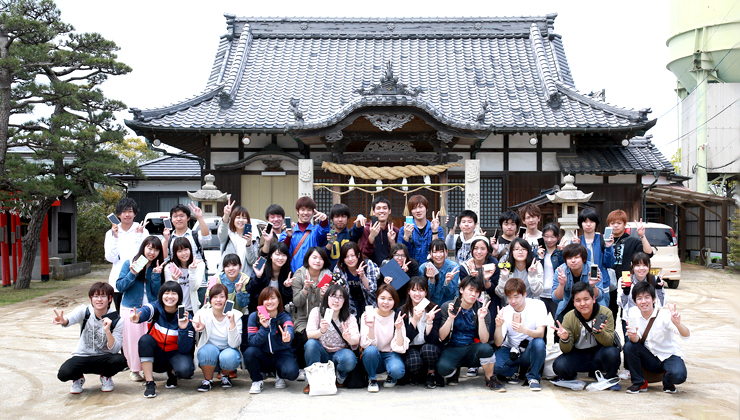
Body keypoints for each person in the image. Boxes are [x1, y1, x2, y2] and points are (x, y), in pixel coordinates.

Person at [54, 282, 127, 394]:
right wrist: (64, 320)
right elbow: (71, 318)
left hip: (103, 358)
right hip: (83, 356)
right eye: (96, 296)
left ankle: (106, 376)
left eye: (103, 296)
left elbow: (115, 349)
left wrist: (108, 331)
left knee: (120, 360)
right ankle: (78, 378)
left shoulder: (116, 319)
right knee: (63, 374)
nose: (99, 299)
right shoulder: (85, 311)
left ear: (109, 298)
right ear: (91, 298)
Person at [130, 282, 195, 398]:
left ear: (179, 296)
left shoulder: (186, 317)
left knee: (186, 371)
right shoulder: (155, 308)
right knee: (145, 340)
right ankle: (150, 383)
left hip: (175, 354)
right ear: (161, 295)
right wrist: (138, 317)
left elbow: (185, 349)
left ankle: (172, 373)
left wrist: (183, 329)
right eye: (166, 293)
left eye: (174, 293)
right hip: (157, 355)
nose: (170, 296)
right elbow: (146, 310)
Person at [552, 282, 621, 389]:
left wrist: (599, 332)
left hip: (599, 353)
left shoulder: (605, 313)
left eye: (586, 299)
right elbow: (565, 350)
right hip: (579, 354)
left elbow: (609, 342)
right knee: (559, 365)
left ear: (593, 299)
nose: (583, 303)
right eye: (578, 300)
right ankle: (571, 376)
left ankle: (610, 378)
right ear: (574, 303)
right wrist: (565, 338)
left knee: (612, 353)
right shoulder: (569, 317)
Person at [624, 282, 690, 394]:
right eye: (639, 298)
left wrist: (678, 323)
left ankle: (668, 380)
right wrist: (633, 336)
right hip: (650, 358)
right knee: (629, 346)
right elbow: (635, 341)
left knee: (679, 376)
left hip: (668, 355)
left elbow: (686, 335)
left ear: (654, 299)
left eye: (647, 297)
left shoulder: (665, 315)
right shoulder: (632, 312)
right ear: (635, 302)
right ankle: (639, 382)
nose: (643, 301)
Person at [437, 276, 500, 390]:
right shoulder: (448, 306)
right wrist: (451, 318)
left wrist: (481, 318)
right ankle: (455, 371)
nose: (473, 294)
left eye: (477, 291)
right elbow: (441, 336)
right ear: (461, 290)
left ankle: (490, 378)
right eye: (470, 290)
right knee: (443, 369)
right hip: (453, 348)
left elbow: (484, 340)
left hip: (473, 348)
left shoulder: (481, 309)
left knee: (487, 349)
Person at [116, 236, 164, 382]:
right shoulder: (130, 263)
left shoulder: (157, 266)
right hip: (131, 309)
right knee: (132, 342)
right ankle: (134, 369)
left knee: (148, 341)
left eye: (156, 250)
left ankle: (147, 369)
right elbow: (120, 286)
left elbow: (157, 293)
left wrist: (156, 275)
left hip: (149, 310)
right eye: (150, 248)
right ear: (143, 247)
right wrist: (133, 273)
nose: (152, 252)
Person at [303, 283, 360, 394]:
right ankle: (313, 381)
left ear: (344, 301)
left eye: (340, 297)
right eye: (333, 296)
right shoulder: (317, 312)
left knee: (349, 358)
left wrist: (349, 338)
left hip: (339, 354)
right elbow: (309, 335)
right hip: (322, 352)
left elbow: (356, 339)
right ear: (327, 297)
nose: (336, 301)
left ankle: (340, 376)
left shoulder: (349, 317)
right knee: (311, 344)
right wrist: (321, 331)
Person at [493, 277, 548, 391]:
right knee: (493, 366)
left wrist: (524, 330)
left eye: (516, 296)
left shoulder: (538, 305)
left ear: (524, 294)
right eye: (509, 297)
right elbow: (498, 343)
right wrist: (498, 326)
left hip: (529, 349)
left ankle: (533, 378)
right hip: (511, 350)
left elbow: (540, 333)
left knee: (539, 343)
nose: (513, 301)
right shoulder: (505, 311)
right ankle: (516, 371)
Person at [243, 287, 299, 394]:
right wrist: (264, 328)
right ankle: (257, 380)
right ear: (261, 302)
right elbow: (252, 342)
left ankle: (280, 374)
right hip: (263, 355)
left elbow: (289, 330)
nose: (269, 302)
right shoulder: (254, 317)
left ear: (279, 300)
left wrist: (287, 338)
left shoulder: (285, 316)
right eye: (266, 299)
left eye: (273, 298)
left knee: (292, 373)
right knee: (249, 352)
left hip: (281, 354)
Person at [191, 283, 243, 391]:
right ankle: (208, 380)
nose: (218, 300)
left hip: (228, 352)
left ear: (227, 299)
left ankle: (224, 375)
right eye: (215, 297)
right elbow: (196, 322)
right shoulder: (203, 313)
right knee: (207, 351)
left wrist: (232, 322)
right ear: (210, 299)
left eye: (222, 296)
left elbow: (235, 344)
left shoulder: (236, 315)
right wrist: (201, 327)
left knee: (230, 356)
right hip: (209, 355)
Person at [291, 246, 333, 379]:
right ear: (307, 259)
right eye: (314, 257)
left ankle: (324, 366)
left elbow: (333, 305)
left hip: (321, 318)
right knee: (303, 336)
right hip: (303, 318)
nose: (317, 261)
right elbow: (297, 302)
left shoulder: (328, 276)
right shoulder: (299, 275)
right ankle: (302, 367)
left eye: (321, 258)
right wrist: (305, 289)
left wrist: (326, 295)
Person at [360, 284, 409, 392]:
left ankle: (392, 376)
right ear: (377, 299)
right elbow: (365, 344)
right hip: (374, 354)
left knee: (398, 371)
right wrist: (371, 327)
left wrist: (399, 329)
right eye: (382, 298)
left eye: (390, 299)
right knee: (370, 351)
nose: (386, 302)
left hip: (391, 354)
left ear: (394, 301)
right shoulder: (368, 316)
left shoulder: (396, 317)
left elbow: (400, 348)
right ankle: (372, 379)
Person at [397, 277, 443, 388]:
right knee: (414, 361)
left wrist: (430, 322)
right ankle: (416, 374)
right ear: (408, 291)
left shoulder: (434, 309)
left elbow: (434, 339)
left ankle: (431, 373)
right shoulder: (402, 311)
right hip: (411, 346)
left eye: (421, 290)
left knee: (428, 349)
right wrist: (414, 319)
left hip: (429, 346)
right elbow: (406, 339)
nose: (417, 294)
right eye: (414, 290)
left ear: (426, 292)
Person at [163, 202, 212, 305]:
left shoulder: (194, 235)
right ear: (171, 219)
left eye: (182, 216)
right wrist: (166, 240)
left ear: (188, 218)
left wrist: (200, 218)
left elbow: (207, 238)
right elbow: (165, 259)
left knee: (199, 311)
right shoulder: (169, 239)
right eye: (175, 216)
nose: (178, 219)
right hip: (178, 282)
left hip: (199, 283)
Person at [104, 197, 148, 311]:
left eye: (130, 211)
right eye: (124, 211)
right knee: (120, 312)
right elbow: (111, 258)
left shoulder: (142, 231)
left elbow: (145, 256)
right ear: (118, 214)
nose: (127, 214)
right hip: (118, 279)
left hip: (137, 279)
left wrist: (139, 236)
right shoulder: (110, 233)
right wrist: (115, 237)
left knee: (137, 313)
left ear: (135, 213)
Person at [607, 210, 652, 319]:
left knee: (627, 312)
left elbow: (648, 254)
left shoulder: (632, 241)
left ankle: (628, 329)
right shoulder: (604, 241)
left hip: (626, 279)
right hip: (608, 281)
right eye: (612, 223)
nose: (615, 226)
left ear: (624, 225)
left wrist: (642, 235)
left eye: (619, 223)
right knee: (609, 314)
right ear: (608, 225)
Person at [571, 208, 614, 307]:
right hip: (582, 285)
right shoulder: (577, 241)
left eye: (591, 221)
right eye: (585, 222)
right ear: (581, 224)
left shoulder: (603, 239)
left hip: (601, 284)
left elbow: (609, 264)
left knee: (602, 313)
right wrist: (575, 247)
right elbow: (572, 265)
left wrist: (608, 247)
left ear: (596, 223)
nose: (588, 224)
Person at [552, 244, 602, 323]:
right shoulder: (560, 271)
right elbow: (556, 298)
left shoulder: (592, 269)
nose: (573, 261)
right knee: (560, 325)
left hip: (590, 306)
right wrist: (561, 284)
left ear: (583, 259)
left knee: (599, 324)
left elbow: (599, 297)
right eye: (569, 258)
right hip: (567, 305)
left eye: (576, 257)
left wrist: (592, 285)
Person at [279, 197, 331, 273]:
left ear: (313, 212)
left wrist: (324, 220)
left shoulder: (315, 231)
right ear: (297, 211)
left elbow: (323, 231)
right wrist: (289, 236)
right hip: (293, 274)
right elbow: (282, 251)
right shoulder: (287, 232)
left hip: (313, 274)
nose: (306, 213)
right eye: (302, 209)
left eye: (309, 210)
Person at [618, 252, 668, 328]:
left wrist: (659, 289)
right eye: (638, 265)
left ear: (649, 266)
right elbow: (621, 304)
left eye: (644, 265)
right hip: (630, 318)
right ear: (632, 267)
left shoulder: (654, 279)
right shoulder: (624, 280)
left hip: (649, 317)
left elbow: (662, 303)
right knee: (632, 335)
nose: (641, 268)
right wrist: (625, 292)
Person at [334, 241, 379, 318]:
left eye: (352, 255)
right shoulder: (339, 268)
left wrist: (362, 276)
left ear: (358, 255)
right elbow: (343, 294)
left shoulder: (367, 264)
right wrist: (342, 288)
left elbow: (372, 289)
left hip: (368, 298)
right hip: (350, 299)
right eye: (346, 256)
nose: (350, 259)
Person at [537, 223, 565, 342]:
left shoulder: (561, 253)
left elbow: (565, 268)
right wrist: (539, 257)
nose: (549, 240)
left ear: (558, 237)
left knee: (559, 323)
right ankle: (541, 349)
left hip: (556, 294)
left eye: (552, 237)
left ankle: (558, 347)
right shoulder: (537, 252)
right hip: (541, 294)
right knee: (540, 325)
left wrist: (561, 253)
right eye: (546, 236)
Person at [249, 241, 294, 313]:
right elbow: (250, 290)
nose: (280, 258)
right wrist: (258, 277)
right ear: (270, 255)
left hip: (278, 310)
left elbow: (287, 300)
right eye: (277, 254)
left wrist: (287, 288)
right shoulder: (261, 263)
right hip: (259, 308)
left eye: (284, 255)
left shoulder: (288, 272)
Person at [219, 198, 259, 278]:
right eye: (238, 217)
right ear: (233, 220)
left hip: (245, 279)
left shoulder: (254, 238)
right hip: (227, 279)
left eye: (244, 218)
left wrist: (249, 244)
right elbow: (222, 230)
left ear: (248, 221)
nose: (241, 220)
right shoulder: (228, 236)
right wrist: (226, 215)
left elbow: (252, 261)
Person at [495, 238, 543, 305]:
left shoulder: (536, 265)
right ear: (511, 252)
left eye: (523, 249)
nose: (520, 252)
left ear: (528, 251)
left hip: (530, 305)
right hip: (511, 305)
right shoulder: (506, 266)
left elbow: (537, 292)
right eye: (517, 249)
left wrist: (532, 276)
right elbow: (500, 294)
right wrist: (504, 277)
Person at [163, 237, 204, 316]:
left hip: (191, 309)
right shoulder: (170, 267)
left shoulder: (199, 265)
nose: (184, 253)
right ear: (175, 253)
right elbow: (169, 292)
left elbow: (194, 287)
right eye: (179, 251)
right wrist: (174, 280)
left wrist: (192, 271)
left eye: (186, 249)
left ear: (190, 250)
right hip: (174, 309)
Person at [400, 195, 445, 264]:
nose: (418, 211)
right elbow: (401, 254)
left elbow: (438, 252)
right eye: (414, 208)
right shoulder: (404, 230)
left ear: (427, 209)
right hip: (411, 268)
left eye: (421, 207)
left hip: (431, 267)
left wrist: (434, 232)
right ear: (411, 211)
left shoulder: (438, 229)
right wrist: (406, 237)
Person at [359, 196, 400, 266]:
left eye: (384, 208)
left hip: (389, 267)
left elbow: (398, 256)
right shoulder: (366, 229)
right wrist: (371, 237)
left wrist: (392, 242)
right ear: (373, 212)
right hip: (371, 267)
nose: (381, 211)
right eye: (378, 208)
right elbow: (364, 255)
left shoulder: (394, 231)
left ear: (389, 211)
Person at [418, 239, 460, 306]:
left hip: (448, 305)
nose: (438, 255)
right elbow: (425, 294)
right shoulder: (423, 268)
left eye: (441, 251)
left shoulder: (453, 267)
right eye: (435, 252)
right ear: (430, 253)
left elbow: (450, 293)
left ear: (446, 252)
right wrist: (431, 280)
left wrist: (447, 282)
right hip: (429, 305)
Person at [325, 203, 364, 269]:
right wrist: (330, 243)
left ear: (347, 218)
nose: (340, 219)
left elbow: (357, 228)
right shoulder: (328, 235)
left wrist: (360, 217)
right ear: (332, 218)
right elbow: (323, 255)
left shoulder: (350, 233)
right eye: (337, 216)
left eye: (343, 216)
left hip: (348, 271)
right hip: (331, 272)